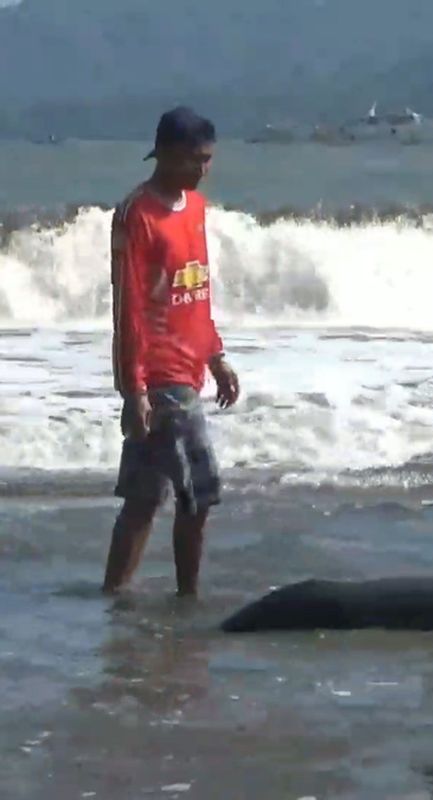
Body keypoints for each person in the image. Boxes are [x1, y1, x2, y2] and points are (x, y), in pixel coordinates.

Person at [102, 107, 240, 597]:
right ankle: (189, 597)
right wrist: (133, 388)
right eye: (194, 160)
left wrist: (215, 355)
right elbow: (128, 307)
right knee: (199, 494)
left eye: (208, 160)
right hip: (159, 377)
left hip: (189, 365)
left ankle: (113, 597)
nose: (203, 170)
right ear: (164, 153)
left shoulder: (196, 208)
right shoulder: (136, 214)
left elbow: (195, 293)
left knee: (144, 497)